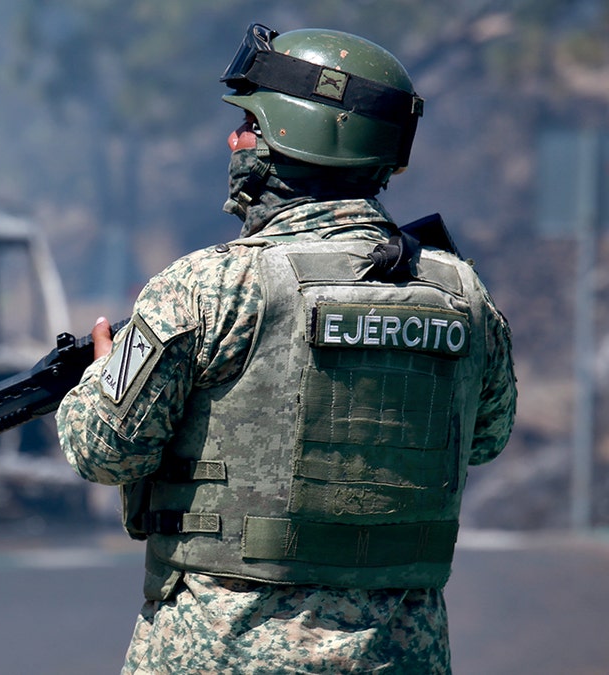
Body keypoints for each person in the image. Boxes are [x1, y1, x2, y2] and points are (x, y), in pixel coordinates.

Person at [55, 23, 517, 674]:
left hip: (222, 651)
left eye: (248, 123)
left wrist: (102, 376)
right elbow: (487, 436)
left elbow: (102, 448)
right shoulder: (465, 296)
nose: (234, 138)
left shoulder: (206, 287)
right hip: (399, 655)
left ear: (287, 137)